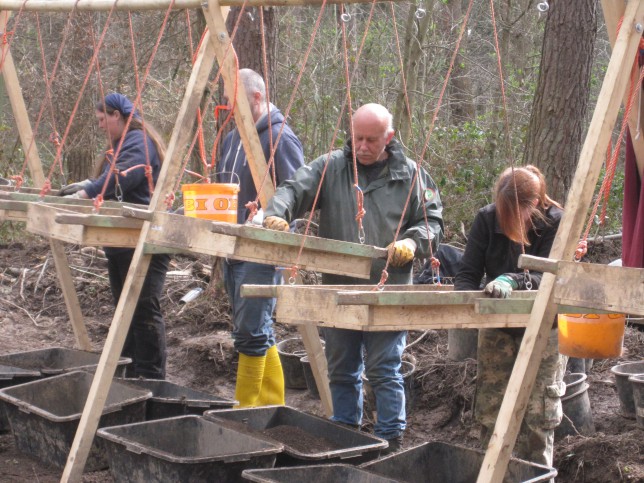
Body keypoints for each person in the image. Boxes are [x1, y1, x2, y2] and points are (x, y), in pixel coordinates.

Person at [263, 103, 444, 453]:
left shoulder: (410, 174)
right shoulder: (332, 167)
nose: (361, 146)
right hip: (339, 288)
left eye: (371, 140)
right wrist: (277, 213)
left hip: (388, 290)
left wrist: (412, 240)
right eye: (357, 137)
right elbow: (293, 189)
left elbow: (432, 222)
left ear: (388, 138)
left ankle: (390, 439)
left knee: (384, 368)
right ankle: (344, 433)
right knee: (342, 368)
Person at [454, 165, 566, 467]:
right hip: (497, 326)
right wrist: (464, 305)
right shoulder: (486, 218)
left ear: (534, 205)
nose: (508, 221)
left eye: (515, 214)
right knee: (491, 410)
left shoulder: (555, 222)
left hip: (546, 329)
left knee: (537, 420)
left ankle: (537, 474)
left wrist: (510, 279)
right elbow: (467, 273)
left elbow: (551, 278)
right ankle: (492, 472)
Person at [59, 92, 170, 379]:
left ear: (116, 116)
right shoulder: (124, 143)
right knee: (126, 310)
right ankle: (131, 373)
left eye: (101, 119)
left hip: (144, 240)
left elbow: (123, 177)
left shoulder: (138, 141)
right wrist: (89, 184)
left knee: (143, 310)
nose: (98, 126)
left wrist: (86, 192)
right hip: (124, 241)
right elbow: (113, 178)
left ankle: (150, 377)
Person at [217, 68, 304, 407]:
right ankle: (271, 407)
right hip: (231, 246)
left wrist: (270, 219)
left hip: (263, 250)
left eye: (234, 100)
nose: (228, 106)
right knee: (257, 330)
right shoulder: (233, 137)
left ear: (255, 97)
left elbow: (297, 194)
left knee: (251, 334)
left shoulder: (281, 138)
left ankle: (246, 410)